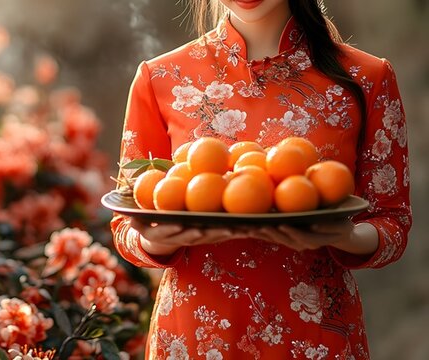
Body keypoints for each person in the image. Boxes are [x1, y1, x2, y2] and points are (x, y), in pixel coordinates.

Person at [111, 0, 411, 358]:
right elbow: (125, 225)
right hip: (196, 334)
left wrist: (345, 235)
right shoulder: (160, 78)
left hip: (315, 335)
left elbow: (393, 223)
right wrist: (156, 241)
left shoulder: (368, 76)